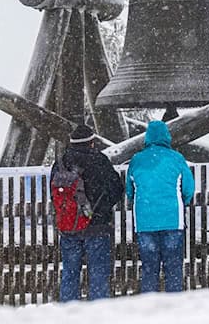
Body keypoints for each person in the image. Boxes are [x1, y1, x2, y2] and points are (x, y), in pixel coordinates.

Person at [50, 124, 124, 302]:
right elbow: (116, 189)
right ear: (91, 142)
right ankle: (97, 313)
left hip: (69, 226)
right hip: (96, 226)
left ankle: (68, 312)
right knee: (98, 273)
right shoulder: (100, 160)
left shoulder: (61, 162)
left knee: (70, 272)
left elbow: (54, 194)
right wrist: (101, 210)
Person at [125, 120, 194, 293]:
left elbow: (129, 190)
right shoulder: (176, 158)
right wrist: (181, 203)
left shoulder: (137, 160)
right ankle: (174, 305)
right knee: (173, 269)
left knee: (149, 268)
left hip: (145, 222)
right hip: (172, 221)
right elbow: (188, 188)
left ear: (147, 137)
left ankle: (150, 307)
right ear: (167, 136)